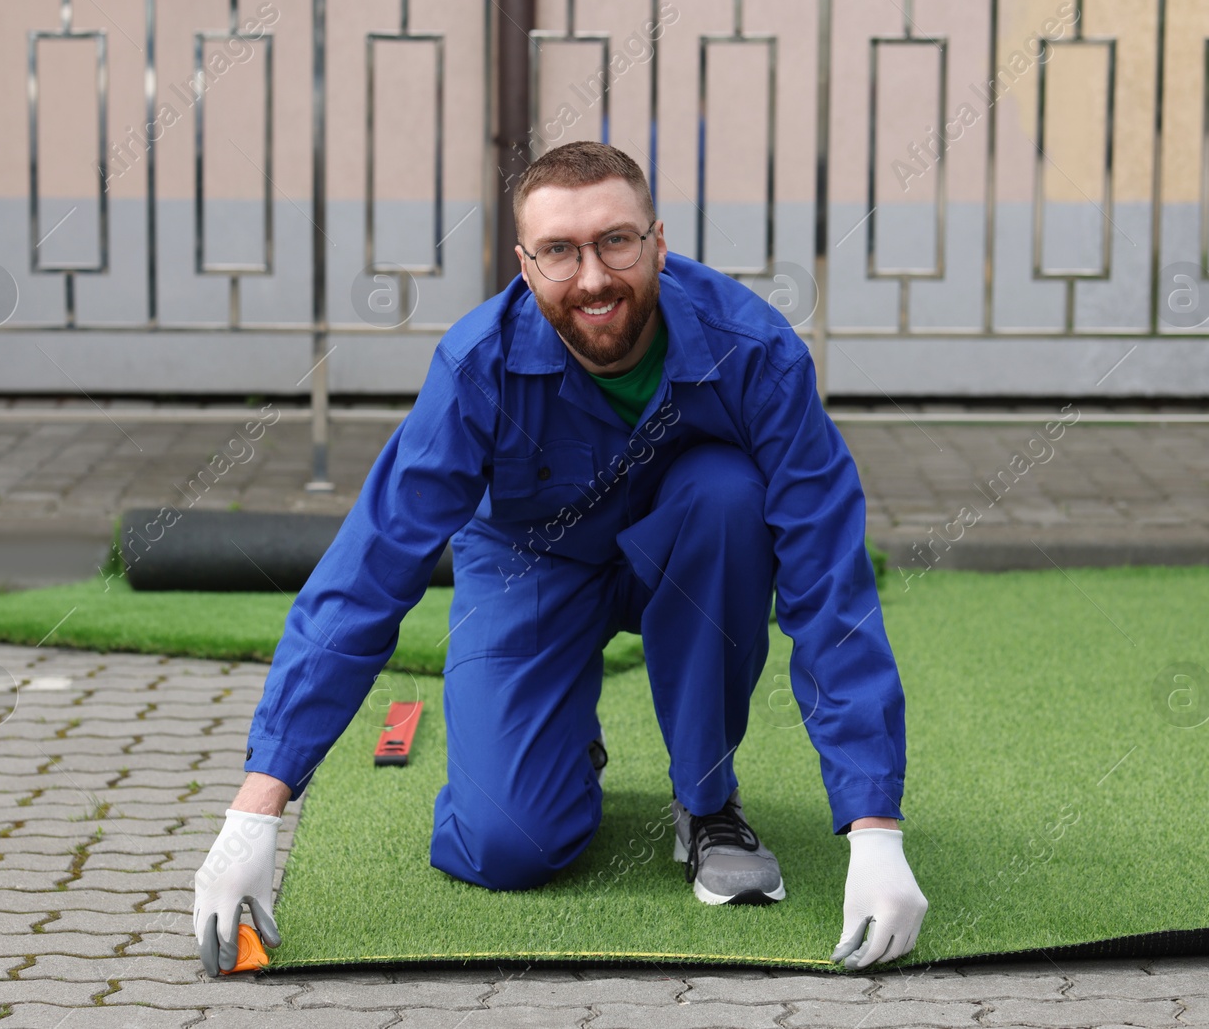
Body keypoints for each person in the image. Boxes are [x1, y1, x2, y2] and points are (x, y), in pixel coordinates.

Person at [192, 141, 928, 975]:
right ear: (524, 262)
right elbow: (371, 565)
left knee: (729, 495)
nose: (592, 279)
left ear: (657, 238)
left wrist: (876, 826)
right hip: (530, 561)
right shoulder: (477, 365)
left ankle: (708, 804)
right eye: (559, 252)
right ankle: (565, 749)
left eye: (616, 241)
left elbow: (830, 577)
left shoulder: (754, 350)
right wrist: (259, 804)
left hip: (689, 549)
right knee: (506, 845)